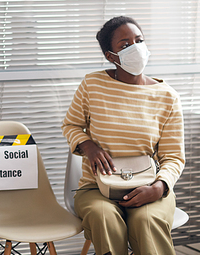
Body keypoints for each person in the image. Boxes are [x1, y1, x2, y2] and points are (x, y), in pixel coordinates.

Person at [61, 16, 185, 255]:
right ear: (110, 56)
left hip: (149, 187)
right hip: (96, 188)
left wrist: (159, 188)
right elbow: (71, 125)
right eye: (125, 45)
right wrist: (88, 146)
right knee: (103, 216)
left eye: (139, 40)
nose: (136, 48)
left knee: (146, 222)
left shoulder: (167, 97)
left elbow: (173, 157)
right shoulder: (92, 84)